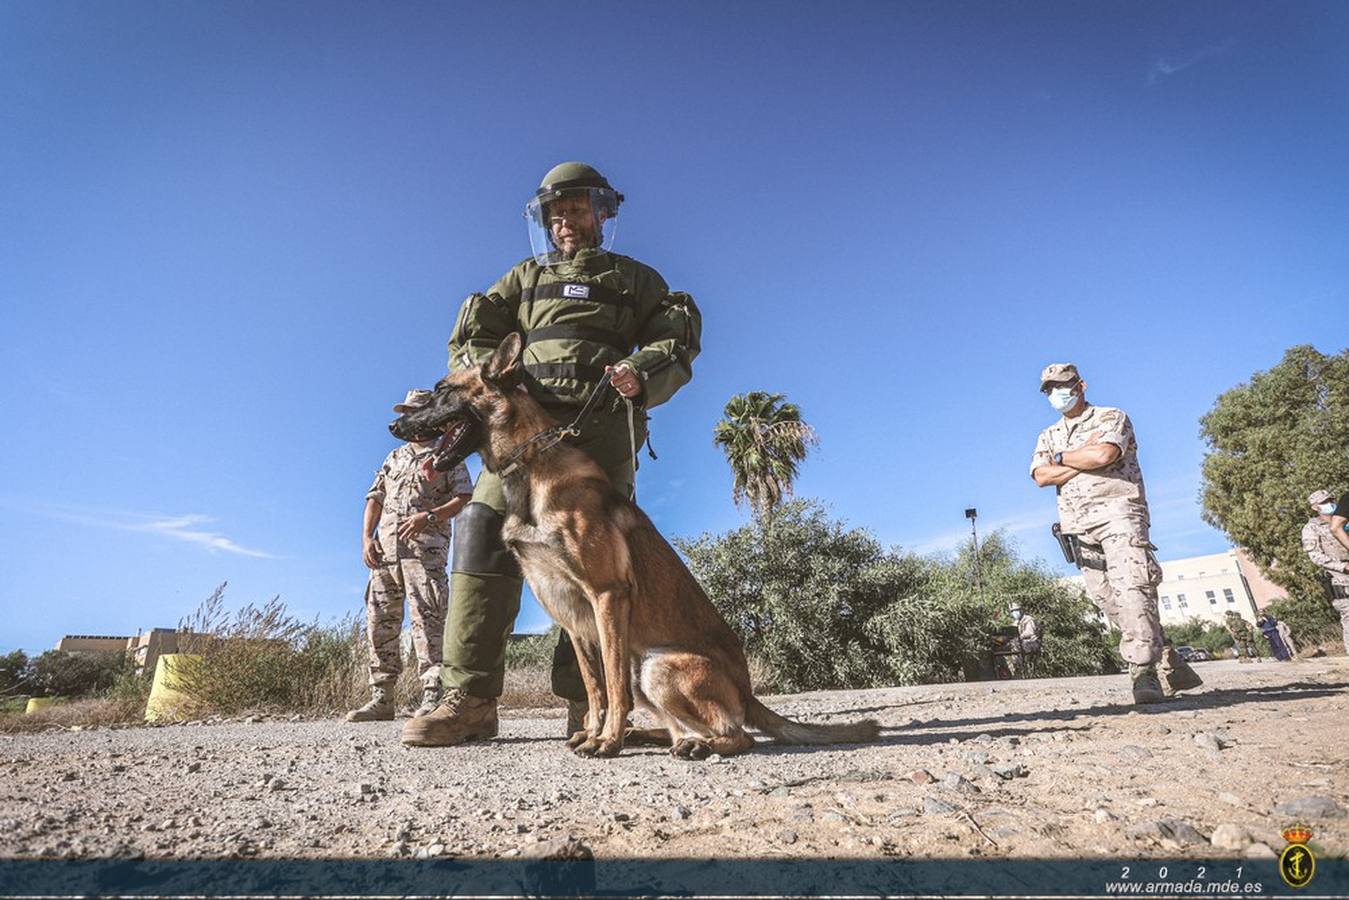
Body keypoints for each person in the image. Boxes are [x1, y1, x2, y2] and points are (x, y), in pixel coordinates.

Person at [402, 162, 702, 747]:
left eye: (576, 208)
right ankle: (470, 698)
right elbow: (474, 339)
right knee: (483, 534)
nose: (564, 219)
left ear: (602, 213)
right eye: (554, 212)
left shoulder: (634, 279)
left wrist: (640, 371)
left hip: (599, 435)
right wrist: (493, 381)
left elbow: (676, 336)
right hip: (517, 437)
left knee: (596, 566)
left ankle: (588, 706)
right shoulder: (520, 279)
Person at [1030, 363, 1203, 703]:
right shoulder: (1047, 435)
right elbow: (1040, 476)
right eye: (1049, 389)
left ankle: (1143, 673)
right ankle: (1171, 661)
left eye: (1062, 385)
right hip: (1077, 525)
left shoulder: (1110, 417)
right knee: (1108, 599)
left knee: (1133, 588)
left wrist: (1062, 459)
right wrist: (1079, 457)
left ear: (1080, 385)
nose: (1056, 394)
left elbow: (1106, 453)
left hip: (1119, 515)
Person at [347, 389, 474, 722]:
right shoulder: (395, 456)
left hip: (425, 555)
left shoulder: (449, 454)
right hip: (385, 555)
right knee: (379, 623)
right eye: (407, 412)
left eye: (416, 412)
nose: (410, 419)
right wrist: (365, 538)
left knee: (428, 623)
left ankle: (432, 696)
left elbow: (464, 496)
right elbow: (374, 497)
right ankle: (382, 697)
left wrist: (428, 517)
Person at [1301, 489, 1349, 654]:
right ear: (1315, 507)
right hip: (1340, 580)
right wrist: (1342, 567)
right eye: (1324, 502)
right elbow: (1315, 556)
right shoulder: (1311, 528)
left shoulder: (1344, 520)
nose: (1330, 504)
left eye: (1331, 500)